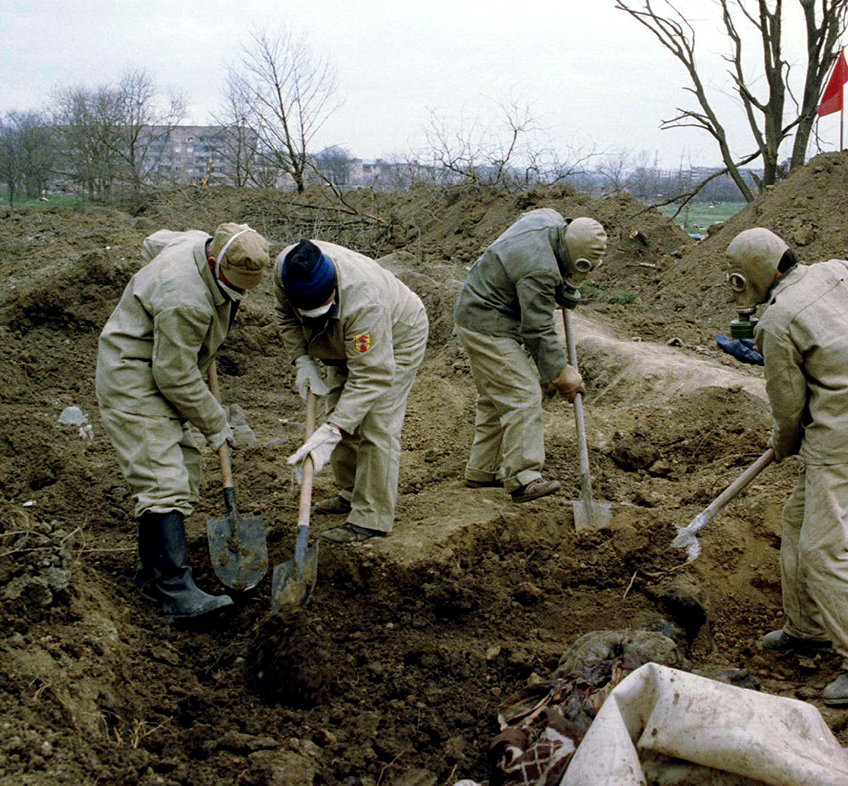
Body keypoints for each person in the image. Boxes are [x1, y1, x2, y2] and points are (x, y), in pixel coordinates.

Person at [721, 227, 848, 707]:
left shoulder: (778, 320)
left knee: (822, 550)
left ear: (751, 277)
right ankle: (807, 628)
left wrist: (783, 444)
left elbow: (788, 409)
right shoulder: (837, 271)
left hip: (845, 438)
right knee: (796, 520)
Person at [97, 223, 270, 619]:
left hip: (164, 368)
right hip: (134, 375)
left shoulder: (192, 241)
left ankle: (151, 573)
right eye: (235, 286)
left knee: (186, 472)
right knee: (162, 479)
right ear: (214, 260)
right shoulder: (185, 300)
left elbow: (153, 240)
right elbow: (174, 374)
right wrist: (215, 422)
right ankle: (176, 591)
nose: (242, 295)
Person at [274, 240, 428, 544]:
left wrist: (330, 431)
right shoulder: (285, 270)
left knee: (376, 425)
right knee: (337, 408)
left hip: (397, 336)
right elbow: (286, 316)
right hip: (341, 337)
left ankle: (371, 516)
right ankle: (351, 490)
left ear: (333, 288)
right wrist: (302, 359)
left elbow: (372, 374)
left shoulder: (365, 302)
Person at [452, 209, 607, 503]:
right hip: (487, 321)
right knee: (522, 393)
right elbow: (537, 329)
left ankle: (483, 470)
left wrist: (566, 284)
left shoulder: (549, 219)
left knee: (496, 396)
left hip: (476, 309)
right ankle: (523, 478)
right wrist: (561, 372)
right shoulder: (540, 269)